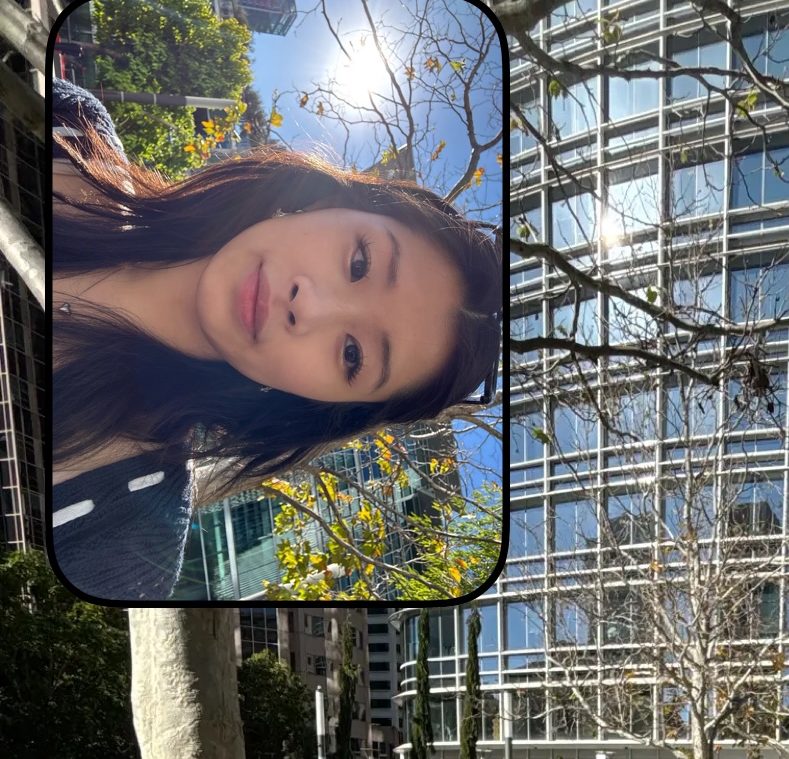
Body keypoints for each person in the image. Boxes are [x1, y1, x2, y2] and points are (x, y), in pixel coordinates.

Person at [50, 79, 503, 602]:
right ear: (323, 202)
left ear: (319, 403)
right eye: (360, 263)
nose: (308, 306)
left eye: (352, 354)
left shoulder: (124, 542)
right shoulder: (69, 125)